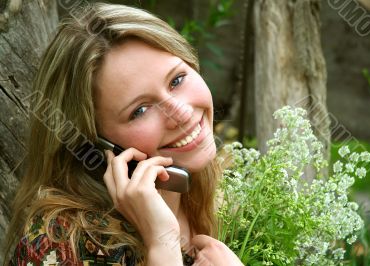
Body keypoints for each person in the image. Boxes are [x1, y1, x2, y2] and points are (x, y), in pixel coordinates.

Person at [3, 2, 243, 266]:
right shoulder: (60, 243)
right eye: (140, 110)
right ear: (93, 143)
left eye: (176, 80)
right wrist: (162, 245)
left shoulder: (220, 193)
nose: (182, 113)